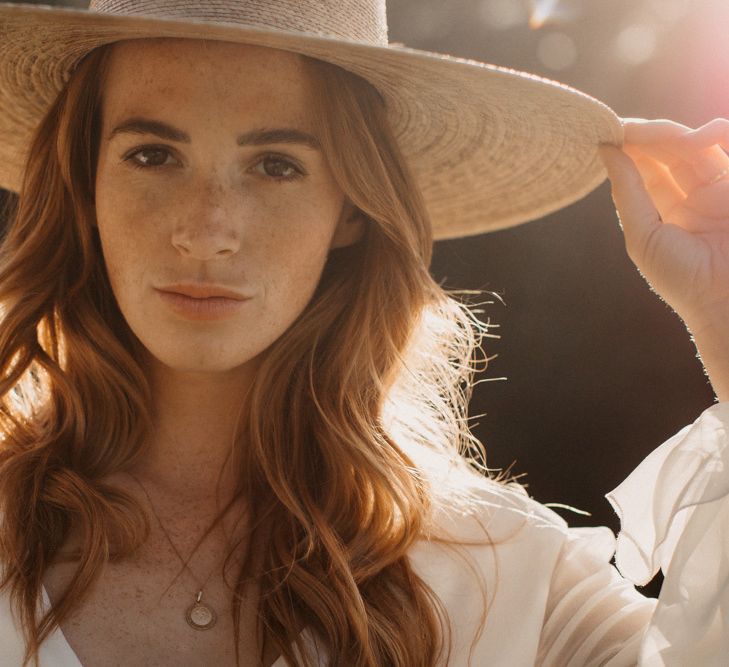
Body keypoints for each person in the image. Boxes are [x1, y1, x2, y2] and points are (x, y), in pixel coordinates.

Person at [0, 1, 728, 665]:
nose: (206, 231)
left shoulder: (499, 572)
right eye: (153, 155)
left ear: (350, 207)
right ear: (86, 181)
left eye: (276, 165)